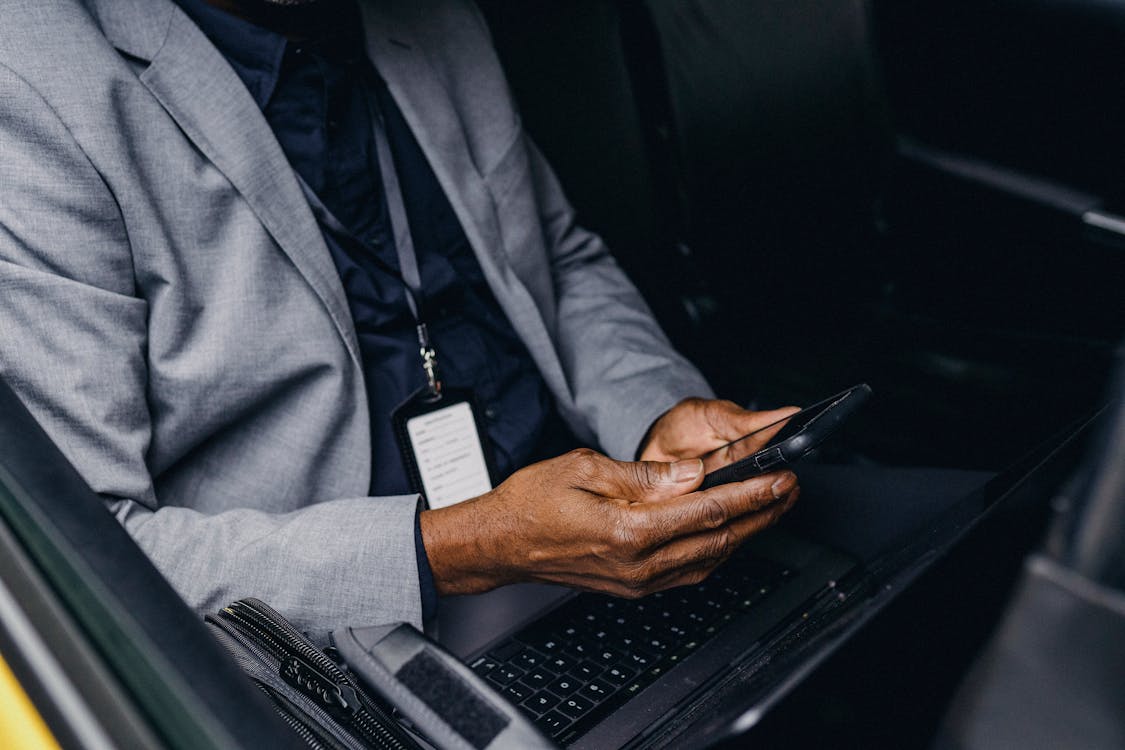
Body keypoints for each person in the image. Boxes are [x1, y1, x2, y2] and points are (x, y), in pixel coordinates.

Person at [0, 0, 799, 640]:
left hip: (596, 523)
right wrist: (457, 549)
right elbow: (90, 556)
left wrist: (654, 415)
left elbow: (554, 259)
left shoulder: (434, 16)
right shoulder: (30, 84)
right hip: (352, 635)